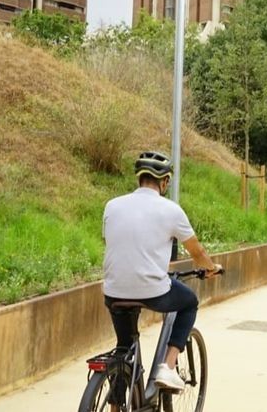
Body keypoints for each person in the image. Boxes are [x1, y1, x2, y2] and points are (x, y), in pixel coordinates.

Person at [102, 151, 223, 392]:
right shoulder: (170, 210)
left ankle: (116, 404)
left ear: (140, 179)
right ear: (165, 181)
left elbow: (116, 243)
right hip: (152, 291)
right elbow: (197, 253)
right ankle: (167, 367)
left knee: (123, 350)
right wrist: (211, 268)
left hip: (114, 290)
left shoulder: (112, 206)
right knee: (189, 302)